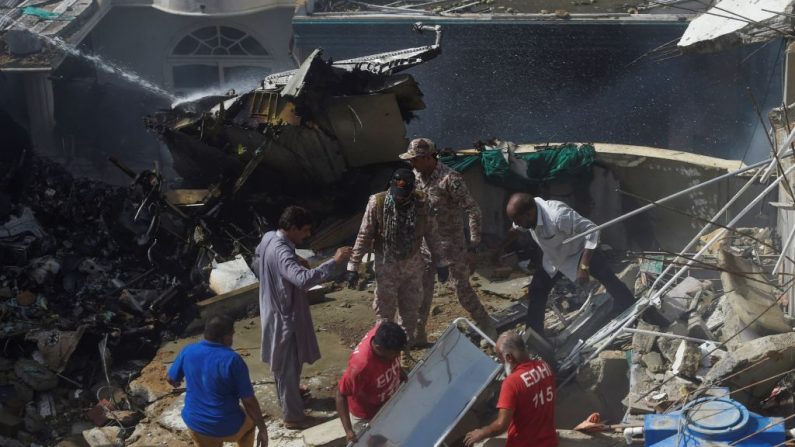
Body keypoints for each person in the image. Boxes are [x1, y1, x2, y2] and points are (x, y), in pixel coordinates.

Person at [505, 193, 663, 337]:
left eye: (519, 220)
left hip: (581, 252)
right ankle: (534, 336)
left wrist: (584, 267)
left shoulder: (557, 215)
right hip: (556, 258)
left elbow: (592, 230)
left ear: (529, 213)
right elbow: (515, 229)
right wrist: (498, 250)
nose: (517, 224)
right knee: (537, 290)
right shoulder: (527, 216)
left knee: (610, 280)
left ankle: (643, 316)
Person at [253, 206, 352, 429]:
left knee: (286, 365)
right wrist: (334, 262)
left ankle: (291, 396)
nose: (308, 235)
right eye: (305, 230)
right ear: (292, 228)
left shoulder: (270, 237)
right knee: (287, 366)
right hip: (284, 319)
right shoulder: (281, 251)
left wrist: (295, 257)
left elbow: (258, 253)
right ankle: (293, 417)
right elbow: (304, 280)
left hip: (274, 310)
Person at [400, 138, 497, 344]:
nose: (411, 164)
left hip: (452, 247)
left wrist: (473, 246)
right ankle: (418, 334)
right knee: (421, 290)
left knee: (461, 289)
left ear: (427, 157)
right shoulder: (416, 178)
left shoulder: (450, 179)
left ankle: (486, 323)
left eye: (414, 159)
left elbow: (473, 211)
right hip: (426, 248)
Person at [345, 168, 448, 349]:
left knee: (410, 311)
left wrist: (441, 262)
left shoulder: (423, 203)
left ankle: (404, 351)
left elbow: (432, 234)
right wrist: (352, 266)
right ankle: (384, 353)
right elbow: (364, 235)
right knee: (385, 313)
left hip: (413, 264)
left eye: (404, 194)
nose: (399, 198)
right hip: (386, 264)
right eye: (397, 193)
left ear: (412, 190)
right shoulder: (377, 202)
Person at [167, 314, 269, 447]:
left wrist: (176, 381)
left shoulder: (188, 350)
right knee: (249, 426)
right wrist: (262, 428)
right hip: (224, 425)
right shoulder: (233, 360)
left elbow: (170, 378)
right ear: (225, 337)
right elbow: (248, 401)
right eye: (232, 334)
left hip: (194, 422)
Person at [464, 331, 557, 447]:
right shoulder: (544, 366)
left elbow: (501, 424)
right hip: (549, 441)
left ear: (509, 357)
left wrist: (483, 432)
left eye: (502, 361)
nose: (503, 365)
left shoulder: (512, 383)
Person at [336, 322, 407, 443]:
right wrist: (348, 431)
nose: (397, 356)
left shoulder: (384, 335)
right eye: (394, 353)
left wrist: (399, 371)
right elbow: (340, 394)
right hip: (367, 415)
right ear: (379, 348)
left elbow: (393, 356)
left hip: (387, 402)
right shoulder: (360, 367)